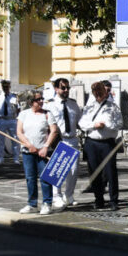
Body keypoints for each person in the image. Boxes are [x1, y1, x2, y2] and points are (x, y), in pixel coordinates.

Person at [79, 81, 123, 210]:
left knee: (111, 173)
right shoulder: (89, 108)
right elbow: (82, 124)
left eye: (100, 92)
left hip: (107, 143)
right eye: (95, 92)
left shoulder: (113, 107)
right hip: (92, 143)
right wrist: (94, 125)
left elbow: (120, 124)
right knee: (94, 172)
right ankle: (99, 199)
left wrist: (107, 125)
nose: (98, 94)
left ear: (105, 93)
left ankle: (114, 200)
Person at [16, 91, 59, 215]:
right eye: (38, 99)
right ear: (30, 102)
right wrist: (29, 145)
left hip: (42, 152)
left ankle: (47, 203)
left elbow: (54, 131)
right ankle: (32, 204)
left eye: (42, 99)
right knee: (30, 178)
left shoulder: (47, 114)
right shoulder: (23, 114)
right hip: (28, 152)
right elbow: (19, 132)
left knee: (45, 178)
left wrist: (46, 147)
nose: (41, 101)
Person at [49, 78, 82, 210]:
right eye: (63, 88)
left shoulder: (73, 104)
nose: (66, 90)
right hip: (59, 139)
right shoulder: (50, 105)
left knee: (73, 170)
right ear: (56, 89)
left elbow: (81, 120)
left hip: (72, 139)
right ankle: (56, 197)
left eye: (67, 88)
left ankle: (69, 195)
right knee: (58, 169)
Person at [0, 80, 21, 164]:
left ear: (9, 87)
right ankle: (0, 158)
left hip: (12, 119)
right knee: (0, 140)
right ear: (2, 87)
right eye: (4, 87)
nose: (5, 88)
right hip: (1, 119)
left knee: (15, 139)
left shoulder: (14, 97)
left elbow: (18, 109)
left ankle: (16, 158)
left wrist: (18, 120)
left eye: (7, 87)